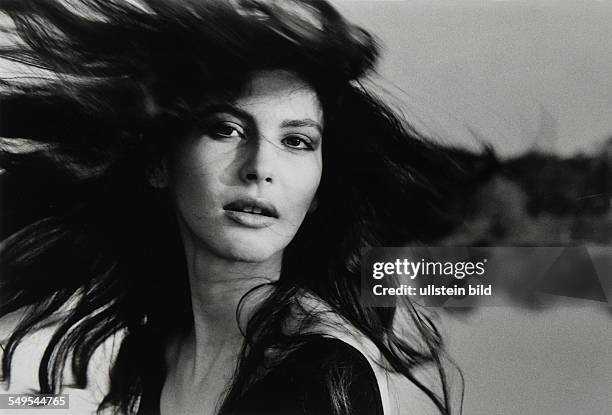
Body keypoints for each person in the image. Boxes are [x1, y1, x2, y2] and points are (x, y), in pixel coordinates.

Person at [0, 1, 477, 414]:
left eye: (296, 141)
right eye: (226, 129)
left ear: (317, 193)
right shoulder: (153, 352)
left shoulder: (319, 374)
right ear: (159, 164)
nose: (260, 167)